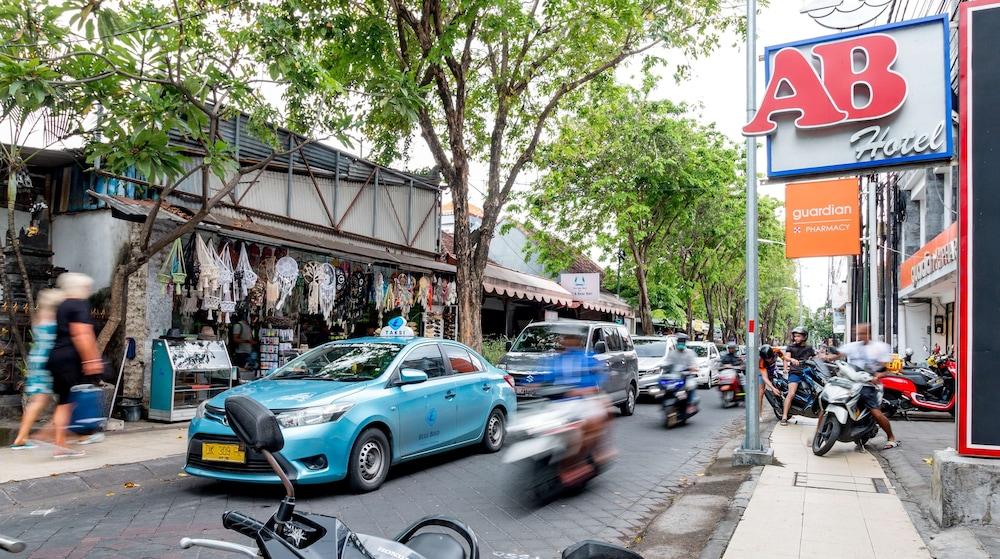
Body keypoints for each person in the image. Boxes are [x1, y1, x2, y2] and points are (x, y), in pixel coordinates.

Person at [47, 273, 102, 458]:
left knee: (64, 402)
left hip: (57, 356)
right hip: (71, 359)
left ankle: (60, 443)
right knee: (73, 401)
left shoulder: (62, 305)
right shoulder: (79, 305)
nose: (88, 291)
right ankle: (74, 437)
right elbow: (82, 334)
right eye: (86, 287)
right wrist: (91, 360)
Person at [824, 323, 898, 449]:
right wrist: (826, 357)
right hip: (850, 382)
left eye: (862, 333)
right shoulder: (852, 346)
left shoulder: (879, 348)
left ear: (869, 333)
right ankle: (818, 433)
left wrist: (877, 376)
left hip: (868, 384)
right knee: (828, 402)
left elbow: (885, 369)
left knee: (876, 412)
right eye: (858, 333)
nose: (859, 336)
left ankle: (891, 437)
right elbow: (837, 355)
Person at [10, 289, 64, 450]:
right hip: (47, 363)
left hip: (38, 360)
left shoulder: (41, 317)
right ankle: (24, 436)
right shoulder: (54, 320)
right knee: (47, 400)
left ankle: (25, 436)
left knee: (41, 400)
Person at [780, 326, 816, 426]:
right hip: (795, 373)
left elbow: (815, 358)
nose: (796, 338)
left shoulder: (809, 348)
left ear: (804, 337)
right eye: (795, 336)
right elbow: (786, 357)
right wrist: (791, 360)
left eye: (798, 336)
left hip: (807, 373)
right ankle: (784, 416)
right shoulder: (791, 347)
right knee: (791, 393)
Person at [757, 344, 783, 417]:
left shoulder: (777, 351)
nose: (768, 360)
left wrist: (785, 370)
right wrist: (773, 388)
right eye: (766, 359)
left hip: (773, 369)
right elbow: (765, 377)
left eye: (770, 358)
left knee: (782, 386)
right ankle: (759, 414)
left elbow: (784, 358)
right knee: (761, 392)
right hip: (763, 373)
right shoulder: (761, 361)